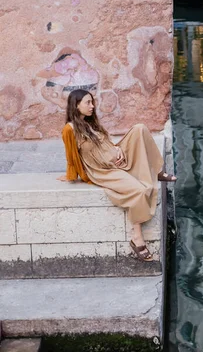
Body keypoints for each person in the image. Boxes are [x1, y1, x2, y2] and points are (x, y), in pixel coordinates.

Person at [58, 89, 176, 262]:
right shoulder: (69, 130)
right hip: (104, 170)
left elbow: (105, 142)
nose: (92, 106)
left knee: (140, 129)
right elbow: (71, 158)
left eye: (92, 102)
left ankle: (157, 171)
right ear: (76, 105)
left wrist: (117, 148)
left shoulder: (90, 122)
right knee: (140, 190)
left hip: (116, 157)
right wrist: (71, 175)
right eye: (87, 103)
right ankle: (137, 238)